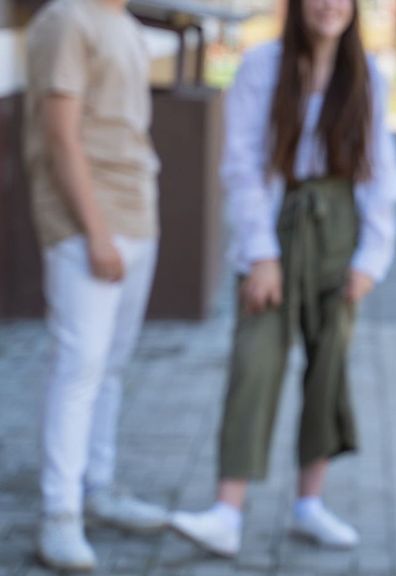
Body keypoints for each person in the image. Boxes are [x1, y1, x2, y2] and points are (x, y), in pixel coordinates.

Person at [168, 0, 396, 558]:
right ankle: (227, 511)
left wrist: (371, 256)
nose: (328, 6)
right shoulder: (262, 66)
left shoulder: (366, 73)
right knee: (255, 361)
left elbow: (378, 165)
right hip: (279, 222)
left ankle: (309, 505)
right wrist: (260, 254)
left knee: (328, 369)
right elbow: (242, 163)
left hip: (340, 225)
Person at [23, 0, 169, 571]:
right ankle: (58, 516)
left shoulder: (127, 26)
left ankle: (97, 488)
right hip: (88, 224)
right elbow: (60, 136)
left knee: (111, 364)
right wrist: (96, 231)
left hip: (137, 216)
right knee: (79, 367)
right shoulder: (65, 19)